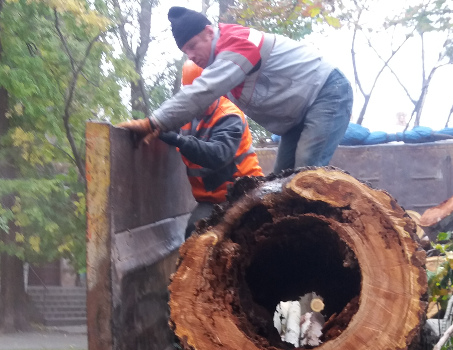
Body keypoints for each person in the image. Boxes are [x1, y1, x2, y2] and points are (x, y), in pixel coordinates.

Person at [119, 7, 353, 173]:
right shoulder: (219, 63)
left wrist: (154, 122)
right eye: (185, 52)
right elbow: (199, 97)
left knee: (306, 172)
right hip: (297, 116)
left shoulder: (238, 43)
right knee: (282, 181)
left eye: (192, 46)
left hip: (327, 92)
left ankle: (315, 241)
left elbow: (201, 92)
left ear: (209, 32)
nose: (190, 55)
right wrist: (164, 125)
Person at [158, 60, 263, 237]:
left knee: (249, 238)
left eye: (199, 94)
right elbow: (162, 124)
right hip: (211, 200)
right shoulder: (185, 115)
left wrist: (179, 140)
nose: (194, 100)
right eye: (190, 94)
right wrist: (150, 128)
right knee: (195, 234)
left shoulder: (229, 116)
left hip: (244, 195)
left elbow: (218, 155)